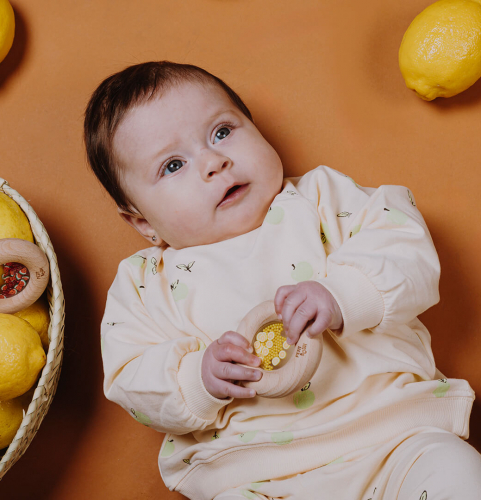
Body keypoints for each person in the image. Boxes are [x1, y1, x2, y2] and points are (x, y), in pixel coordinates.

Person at [84, 61, 481, 499]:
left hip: (393, 437)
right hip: (253, 474)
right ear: (142, 223)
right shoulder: (143, 284)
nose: (215, 162)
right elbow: (130, 375)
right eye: (174, 165)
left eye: (221, 132)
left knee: (457, 471)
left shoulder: (321, 198)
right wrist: (197, 379)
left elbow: (404, 244)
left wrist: (342, 293)